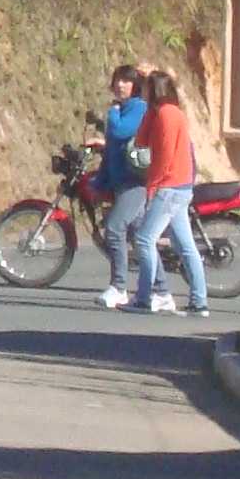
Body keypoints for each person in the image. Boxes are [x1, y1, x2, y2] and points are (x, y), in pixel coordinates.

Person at [125, 67, 205, 317]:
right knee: (184, 245)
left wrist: (153, 186)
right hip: (178, 186)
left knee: (144, 239)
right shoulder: (161, 113)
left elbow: (165, 157)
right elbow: (142, 141)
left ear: (155, 90)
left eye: (146, 88)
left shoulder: (167, 115)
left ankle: (145, 298)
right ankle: (199, 301)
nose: (142, 92)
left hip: (169, 186)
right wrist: (149, 111)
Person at [90, 63, 147, 308]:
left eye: (126, 81)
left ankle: (119, 287)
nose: (120, 85)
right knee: (141, 238)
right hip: (120, 182)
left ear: (135, 86)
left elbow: (122, 131)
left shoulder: (138, 108)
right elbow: (111, 152)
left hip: (135, 182)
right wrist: (99, 183)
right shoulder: (123, 109)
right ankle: (161, 289)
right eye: (117, 80)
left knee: (114, 229)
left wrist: (113, 112)